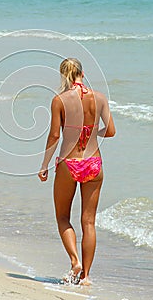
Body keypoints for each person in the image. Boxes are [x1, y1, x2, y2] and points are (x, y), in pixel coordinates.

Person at [38, 58, 115, 286]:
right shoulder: (100, 98)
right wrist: (92, 134)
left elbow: (54, 136)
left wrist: (44, 165)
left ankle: (75, 262)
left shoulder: (59, 100)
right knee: (88, 222)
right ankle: (87, 276)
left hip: (68, 163)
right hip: (94, 163)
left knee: (63, 217)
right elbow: (110, 131)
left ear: (64, 75)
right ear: (83, 72)